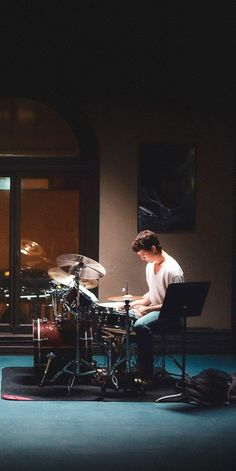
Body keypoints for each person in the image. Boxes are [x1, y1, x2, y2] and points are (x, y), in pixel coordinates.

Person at [130, 230, 184, 383]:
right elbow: (153, 294)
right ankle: (127, 369)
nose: (142, 259)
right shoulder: (150, 265)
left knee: (140, 325)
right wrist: (134, 303)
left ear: (153, 249)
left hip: (169, 316)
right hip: (155, 310)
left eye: (143, 255)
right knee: (125, 315)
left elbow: (174, 305)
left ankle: (146, 374)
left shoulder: (172, 271)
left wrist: (147, 309)